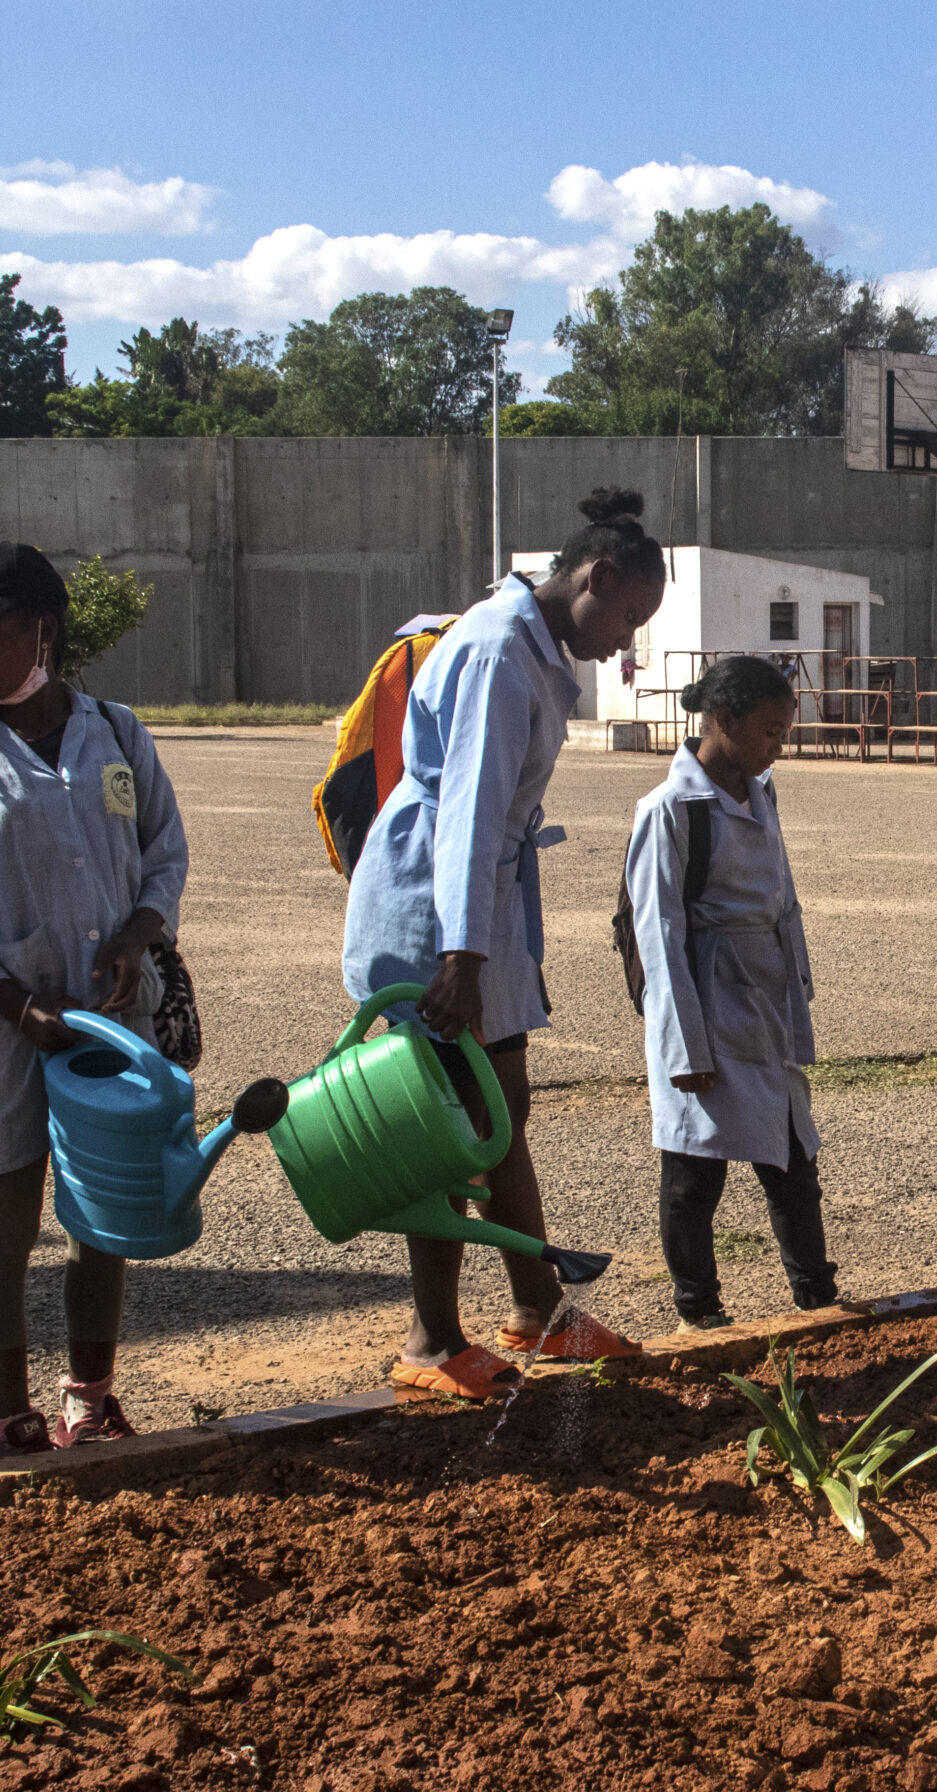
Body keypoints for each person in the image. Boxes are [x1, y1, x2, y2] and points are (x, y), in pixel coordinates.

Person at [342, 487, 665, 1401]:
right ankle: (431, 1341)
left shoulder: (528, 645)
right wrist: (461, 957)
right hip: (439, 915)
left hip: (480, 907)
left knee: (500, 1109)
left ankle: (537, 1310)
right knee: (447, 1128)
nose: (626, 641)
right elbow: (471, 815)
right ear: (594, 578)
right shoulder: (495, 652)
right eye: (630, 616)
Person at [0, 543, 189, 1460]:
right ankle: (10, 1418)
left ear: (43, 631)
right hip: (8, 1030)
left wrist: (136, 934)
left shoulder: (117, 732)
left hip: (111, 1019)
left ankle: (90, 1400)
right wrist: (22, 1012)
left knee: (99, 1215)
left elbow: (163, 853)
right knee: (7, 1212)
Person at [628, 656, 837, 1330]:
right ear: (724, 722)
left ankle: (816, 1297)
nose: (779, 747)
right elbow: (658, 934)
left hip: (765, 1001)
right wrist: (684, 1046)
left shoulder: (760, 789)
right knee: (695, 1172)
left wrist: (796, 988)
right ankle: (699, 1312)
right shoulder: (671, 811)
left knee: (792, 1160)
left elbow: (785, 896)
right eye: (771, 732)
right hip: (707, 1004)